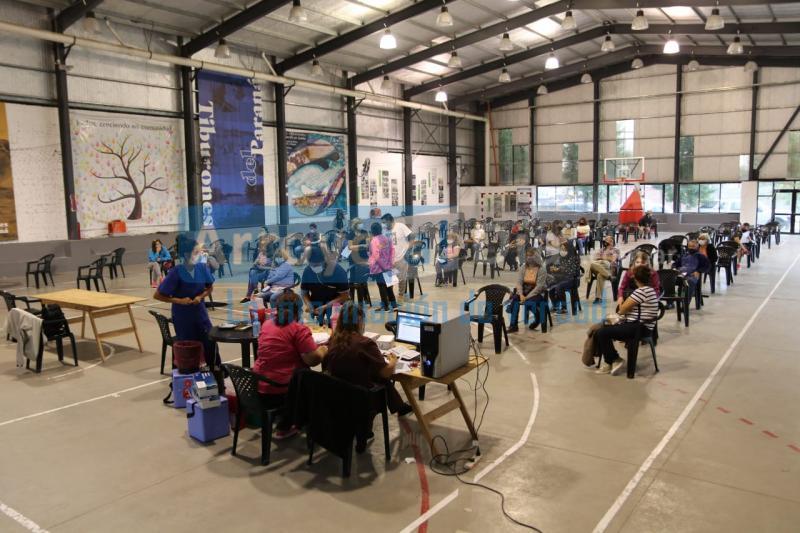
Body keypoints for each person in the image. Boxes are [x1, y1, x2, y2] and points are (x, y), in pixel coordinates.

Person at [254, 290, 327, 439]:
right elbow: (312, 360)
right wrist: (323, 350)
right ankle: (289, 424)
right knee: (318, 380)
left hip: (259, 386)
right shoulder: (298, 330)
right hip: (282, 391)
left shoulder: (266, 325)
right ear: (298, 311)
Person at [323, 302, 412, 422]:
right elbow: (386, 372)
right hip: (361, 396)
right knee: (382, 376)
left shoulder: (332, 340)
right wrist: (393, 361)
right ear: (360, 320)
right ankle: (398, 407)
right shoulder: (365, 343)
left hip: (338, 393)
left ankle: (400, 406)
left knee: (374, 373)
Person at [154, 237, 216, 367]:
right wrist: (179, 300)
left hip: (200, 314)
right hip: (183, 316)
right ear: (187, 254)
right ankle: (189, 373)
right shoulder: (176, 272)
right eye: (196, 252)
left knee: (210, 342)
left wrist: (201, 296)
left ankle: (215, 370)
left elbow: (210, 288)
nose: (200, 254)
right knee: (189, 348)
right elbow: (157, 295)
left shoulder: (202, 268)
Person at [594, 265, 660, 375]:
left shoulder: (641, 291)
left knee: (602, 332)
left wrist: (622, 305)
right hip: (644, 327)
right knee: (604, 329)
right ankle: (609, 362)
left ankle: (614, 359)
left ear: (636, 279)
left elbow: (622, 310)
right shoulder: (650, 290)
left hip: (638, 328)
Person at [301, 246, 350, 327]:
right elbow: (304, 293)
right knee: (319, 328)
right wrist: (309, 305)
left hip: (335, 304)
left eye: (317, 265)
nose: (315, 267)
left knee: (335, 326)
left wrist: (326, 306)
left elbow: (344, 296)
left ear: (324, 260)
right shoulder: (308, 271)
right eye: (312, 265)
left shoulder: (338, 271)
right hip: (317, 304)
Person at [507, 249, 547, 332]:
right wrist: (521, 294)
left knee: (529, 302)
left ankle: (538, 318)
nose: (529, 257)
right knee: (515, 300)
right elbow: (519, 282)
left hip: (537, 293)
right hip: (524, 291)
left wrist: (527, 297)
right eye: (527, 256)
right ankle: (513, 325)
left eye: (531, 255)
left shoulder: (541, 269)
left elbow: (539, 287)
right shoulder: (523, 267)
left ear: (536, 257)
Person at [381, 213, 412, 301]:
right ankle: (390, 296)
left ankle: (401, 295)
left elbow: (412, 237)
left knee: (401, 278)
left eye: (384, 222)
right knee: (389, 279)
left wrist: (408, 251)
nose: (383, 224)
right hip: (389, 259)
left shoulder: (400, 226)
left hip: (401, 257)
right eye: (382, 223)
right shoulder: (384, 230)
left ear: (390, 221)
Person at [368, 222, 397, 311]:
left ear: (372, 231)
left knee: (382, 287)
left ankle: (386, 307)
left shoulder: (374, 241)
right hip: (388, 266)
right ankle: (394, 305)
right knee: (389, 287)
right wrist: (390, 263)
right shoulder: (387, 238)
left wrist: (384, 266)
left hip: (379, 268)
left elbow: (376, 256)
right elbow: (392, 250)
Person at [673, 239, 709, 307]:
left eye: (693, 246)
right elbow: (676, 264)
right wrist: (674, 268)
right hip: (682, 274)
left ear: (697, 247)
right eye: (690, 246)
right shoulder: (684, 255)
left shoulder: (701, 256)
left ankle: (685, 305)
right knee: (668, 279)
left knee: (689, 282)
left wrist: (698, 271)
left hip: (692, 275)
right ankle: (670, 302)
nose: (691, 248)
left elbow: (707, 266)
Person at [345, 218, 372, 307]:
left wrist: (357, 247)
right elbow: (350, 247)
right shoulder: (350, 234)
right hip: (353, 259)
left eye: (361, 223)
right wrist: (360, 246)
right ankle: (352, 300)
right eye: (359, 223)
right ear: (355, 225)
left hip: (364, 258)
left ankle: (365, 299)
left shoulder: (365, 232)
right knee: (352, 280)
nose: (361, 225)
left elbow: (368, 245)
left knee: (363, 280)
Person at [548, 242, 581, 314]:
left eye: (564, 249)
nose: (562, 251)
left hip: (573, 280)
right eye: (561, 249)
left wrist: (559, 269)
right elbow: (561, 267)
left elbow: (571, 271)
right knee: (550, 285)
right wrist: (555, 268)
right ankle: (555, 305)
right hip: (563, 278)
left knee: (559, 287)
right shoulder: (562, 257)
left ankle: (564, 308)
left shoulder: (574, 257)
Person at [586, 235, 620, 304]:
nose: (605, 241)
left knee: (600, 275)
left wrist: (603, 258)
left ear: (612, 242)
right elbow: (595, 258)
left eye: (607, 240)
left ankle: (598, 298)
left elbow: (613, 260)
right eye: (605, 240)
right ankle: (608, 276)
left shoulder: (615, 250)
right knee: (592, 264)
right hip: (598, 266)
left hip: (608, 267)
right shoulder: (601, 250)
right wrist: (605, 257)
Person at [241, 236, 273, 303]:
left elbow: (272, 268)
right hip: (260, 273)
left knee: (252, 275)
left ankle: (250, 294)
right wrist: (256, 264)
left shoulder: (272, 256)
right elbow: (254, 264)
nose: (259, 248)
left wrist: (259, 266)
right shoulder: (261, 254)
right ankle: (254, 290)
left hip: (268, 275)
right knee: (252, 272)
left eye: (261, 247)